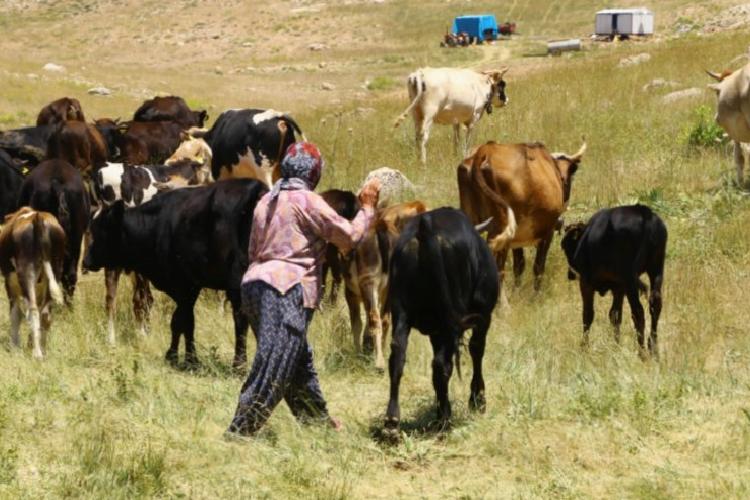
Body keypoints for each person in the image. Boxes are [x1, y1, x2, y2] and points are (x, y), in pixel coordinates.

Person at [226, 141, 380, 436]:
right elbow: (348, 237)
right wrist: (367, 209)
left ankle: (317, 424)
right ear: (314, 173)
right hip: (286, 289)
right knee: (274, 364)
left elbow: (254, 251)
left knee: (296, 361)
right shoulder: (306, 200)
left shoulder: (266, 201)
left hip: (255, 286)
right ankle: (238, 433)